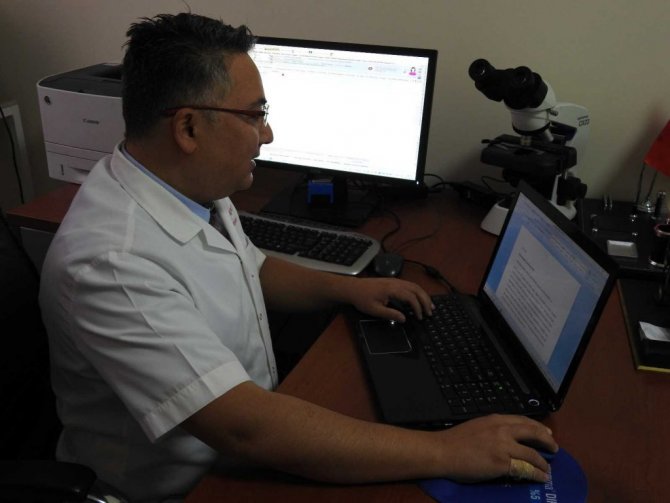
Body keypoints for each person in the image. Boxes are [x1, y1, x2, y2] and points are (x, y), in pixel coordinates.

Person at [39, 12, 557, 502]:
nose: (267, 134)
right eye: (255, 115)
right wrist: (449, 451)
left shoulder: (190, 184)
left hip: (246, 432)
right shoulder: (113, 263)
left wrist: (348, 288)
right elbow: (246, 428)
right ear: (189, 129)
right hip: (190, 485)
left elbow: (251, 266)